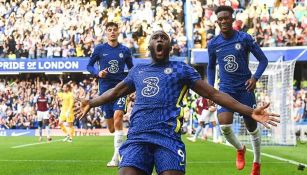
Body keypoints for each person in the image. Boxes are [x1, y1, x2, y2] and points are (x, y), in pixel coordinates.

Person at [75, 30, 279, 175]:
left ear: (170, 47)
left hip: (168, 140)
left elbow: (215, 95)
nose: (160, 40)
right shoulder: (138, 70)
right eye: (156, 37)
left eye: (164, 38)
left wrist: (249, 111)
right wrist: (91, 102)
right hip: (138, 137)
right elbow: (115, 91)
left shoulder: (181, 69)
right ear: (149, 46)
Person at [207, 6, 269, 175]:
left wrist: (255, 78)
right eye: (220, 19)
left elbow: (263, 60)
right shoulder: (213, 44)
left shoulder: (245, 38)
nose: (223, 21)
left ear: (232, 19)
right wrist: (211, 89)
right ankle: (240, 148)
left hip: (245, 89)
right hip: (226, 90)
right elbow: (211, 68)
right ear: (217, 21)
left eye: (226, 18)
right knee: (225, 126)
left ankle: (257, 163)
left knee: (252, 127)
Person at [87, 21, 133, 167]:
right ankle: (119, 148)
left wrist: (133, 87)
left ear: (118, 32)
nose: (112, 32)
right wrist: (97, 72)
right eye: (109, 30)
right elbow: (89, 66)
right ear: (106, 32)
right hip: (105, 91)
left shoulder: (125, 50)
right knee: (112, 128)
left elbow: (132, 70)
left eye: (114, 29)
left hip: (121, 89)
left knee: (118, 116)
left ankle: (116, 157)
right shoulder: (100, 49)